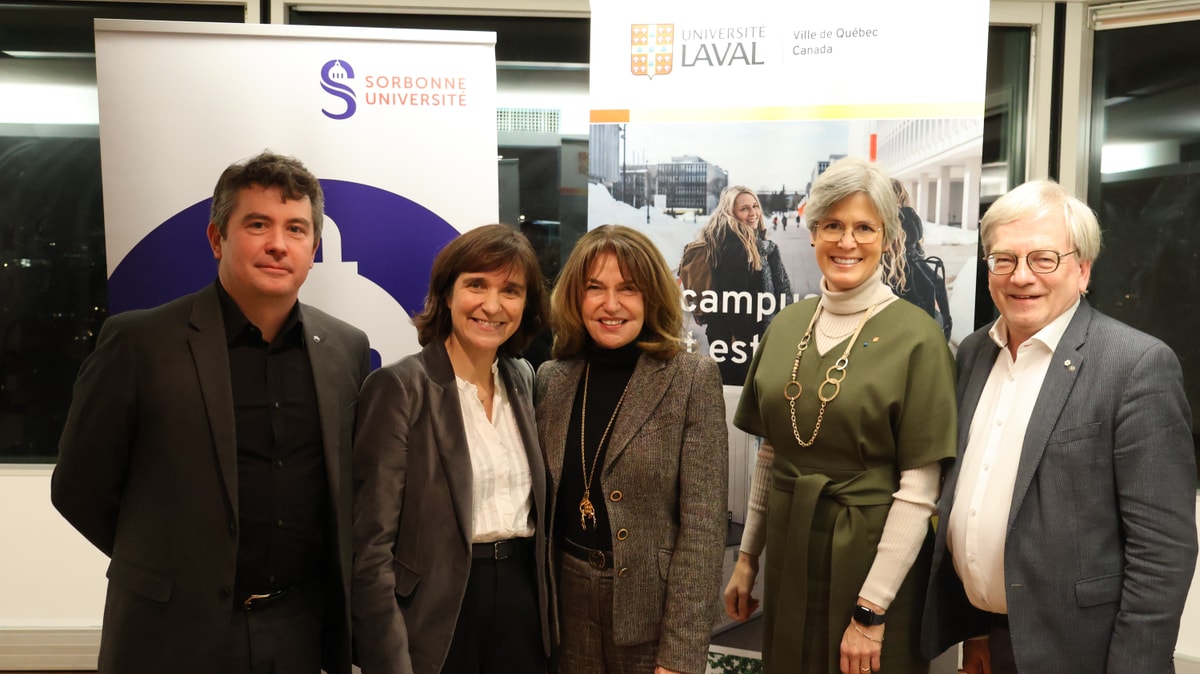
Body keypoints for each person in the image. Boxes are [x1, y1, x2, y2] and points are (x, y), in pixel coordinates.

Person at [51, 151, 372, 674]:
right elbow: (78, 488)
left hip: (300, 632)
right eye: (257, 224)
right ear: (217, 238)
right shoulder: (139, 342)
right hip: (170, 631)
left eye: (296, 228)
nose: (278, 243)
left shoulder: (346, 348)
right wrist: (166, 568)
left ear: (314, 248)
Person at [920, 179, 1198, 673]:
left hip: (1083, 653)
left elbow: (1163, 553)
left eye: (1043, 259)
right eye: (1004, 259)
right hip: (993, 639)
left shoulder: (1136, 365)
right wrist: (977, 631)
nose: (1021, 276)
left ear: (1082, 270)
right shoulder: (974, 352)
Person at [723, 157, 956, 674]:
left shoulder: (917, 337)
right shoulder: (786, 326)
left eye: (864, 228)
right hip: (790, 549)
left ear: (887, 238)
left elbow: (921, 489)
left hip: (873, 558)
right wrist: (747, 558)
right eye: (832, 225)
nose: (846, 242)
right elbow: (770, 455)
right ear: (812, 233)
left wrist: (871, 610)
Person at [351, 224, 551, 674]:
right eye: (476, 285)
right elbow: (371, 548)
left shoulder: (523, 378)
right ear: (446, 294)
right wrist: (387, 659)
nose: (493, 305)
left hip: (521, 606)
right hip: (438, 612)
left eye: (511, 290)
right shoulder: (400, 388)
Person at [537, 225, 728, 674]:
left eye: (628, 289)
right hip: (566, 612)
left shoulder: (691, 379)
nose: (611, 304)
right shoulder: (551, 379)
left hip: (652, 618)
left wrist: (680, 656)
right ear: (575, 297)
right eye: (595, 288)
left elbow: (702, 530)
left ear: (652, 296)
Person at [692, 185, 792, 385]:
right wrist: (752, 348)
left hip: (728, 341)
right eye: (744, 209)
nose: (753, 213)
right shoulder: (737, 248)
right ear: (731, 213)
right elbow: (736, 306)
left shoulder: (737, 243)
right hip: (740, 344)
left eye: (755, 206)